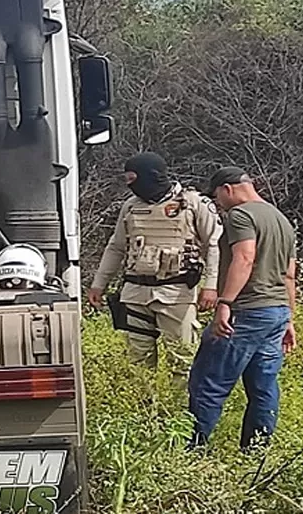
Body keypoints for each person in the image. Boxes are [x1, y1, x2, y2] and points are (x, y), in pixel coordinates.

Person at [188, 167, 298, 450]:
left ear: (228, 189)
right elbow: (289, 274)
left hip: (246, 311)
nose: (218, 205)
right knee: (263, 386)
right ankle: (256, 450)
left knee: (209, 380)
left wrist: (225, 303)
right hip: (275, 312)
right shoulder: (280, 219)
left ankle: (193, 447)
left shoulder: (241, 215)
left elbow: (245, 257)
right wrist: (288, 319)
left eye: (216, 198)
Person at [87, 152, 222, 380]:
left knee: (182, 357)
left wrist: (211, 286)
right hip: (135, 292)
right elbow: (116, 246)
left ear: (152, 175)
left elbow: (214, 245)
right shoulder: (130, 207)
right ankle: (144, 409)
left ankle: (179, 412)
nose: (131, 185)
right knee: (138, 360)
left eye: (133, 179)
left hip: (176, 292)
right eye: (127, 180)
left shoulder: (194, 203)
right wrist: (99, 284)